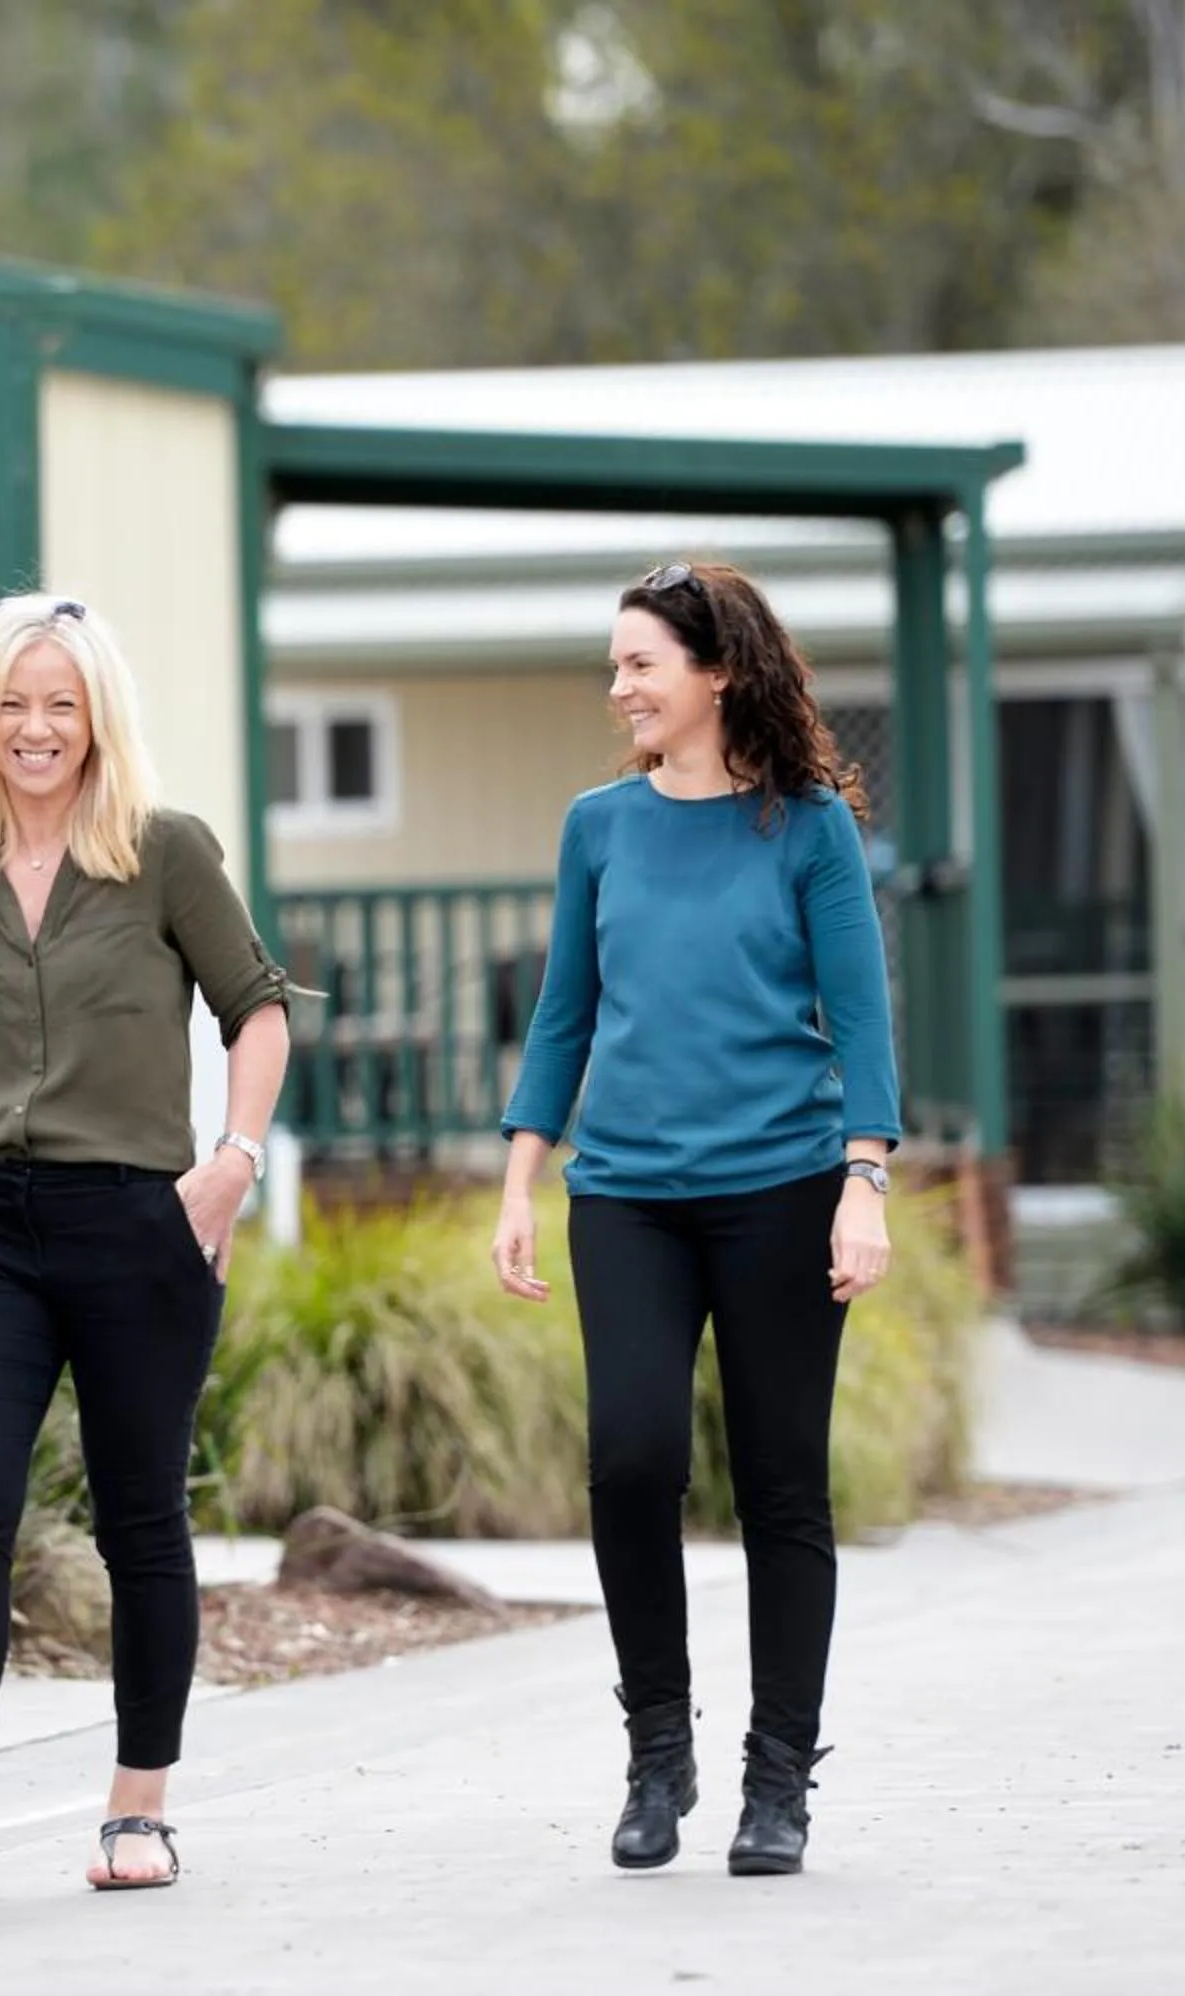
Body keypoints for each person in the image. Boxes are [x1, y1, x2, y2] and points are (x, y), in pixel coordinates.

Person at [0, 591, 293, 1897]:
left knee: (139, 1519)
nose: (36, 727)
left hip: (137, 1221)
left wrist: (232, 1167)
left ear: (97, 718)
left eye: (62, 703)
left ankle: (140, 1811)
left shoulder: (163, 850)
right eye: (14, 701)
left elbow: (257, 1011)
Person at [491, 560, 900, 1879]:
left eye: (639, 666)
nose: (619, 690)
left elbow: (866, 1015)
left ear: (714, 672)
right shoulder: (596, 828)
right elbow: (565, 1015)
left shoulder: (809, 830)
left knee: (783, 1484)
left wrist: (865, 1180)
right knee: (630, 1462)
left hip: (784, 1192)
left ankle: (778, 1782)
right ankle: (655, 1754)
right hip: (626, 1199)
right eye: (613, 668)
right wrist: (519, 1178)